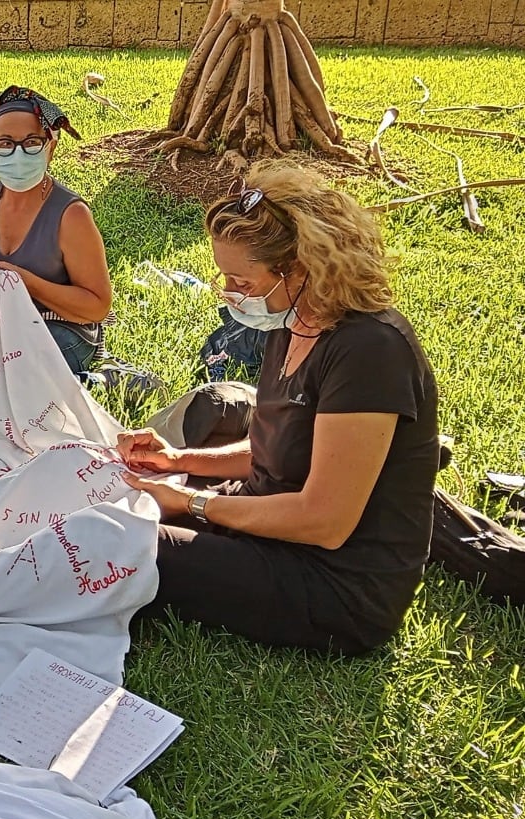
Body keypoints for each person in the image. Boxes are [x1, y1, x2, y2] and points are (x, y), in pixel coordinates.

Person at [118, 163, 439, 655]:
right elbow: (275, 448)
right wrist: (178, 461)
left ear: (302, 269)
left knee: (120, 545)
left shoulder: (370, 350)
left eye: (241, 281)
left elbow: (325, 522)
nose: (229, 292)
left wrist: (190, 502)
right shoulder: (293, 321)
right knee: (120, 501)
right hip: (271, 524)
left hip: (335, 584)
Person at [0, 86, 113, 375]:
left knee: (3, 373)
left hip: (57, 330)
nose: (18, 154)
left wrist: (24, 282)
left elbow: (96, 308)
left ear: (50, 147)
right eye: (5, 144)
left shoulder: (71, 215)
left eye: (31, 142)